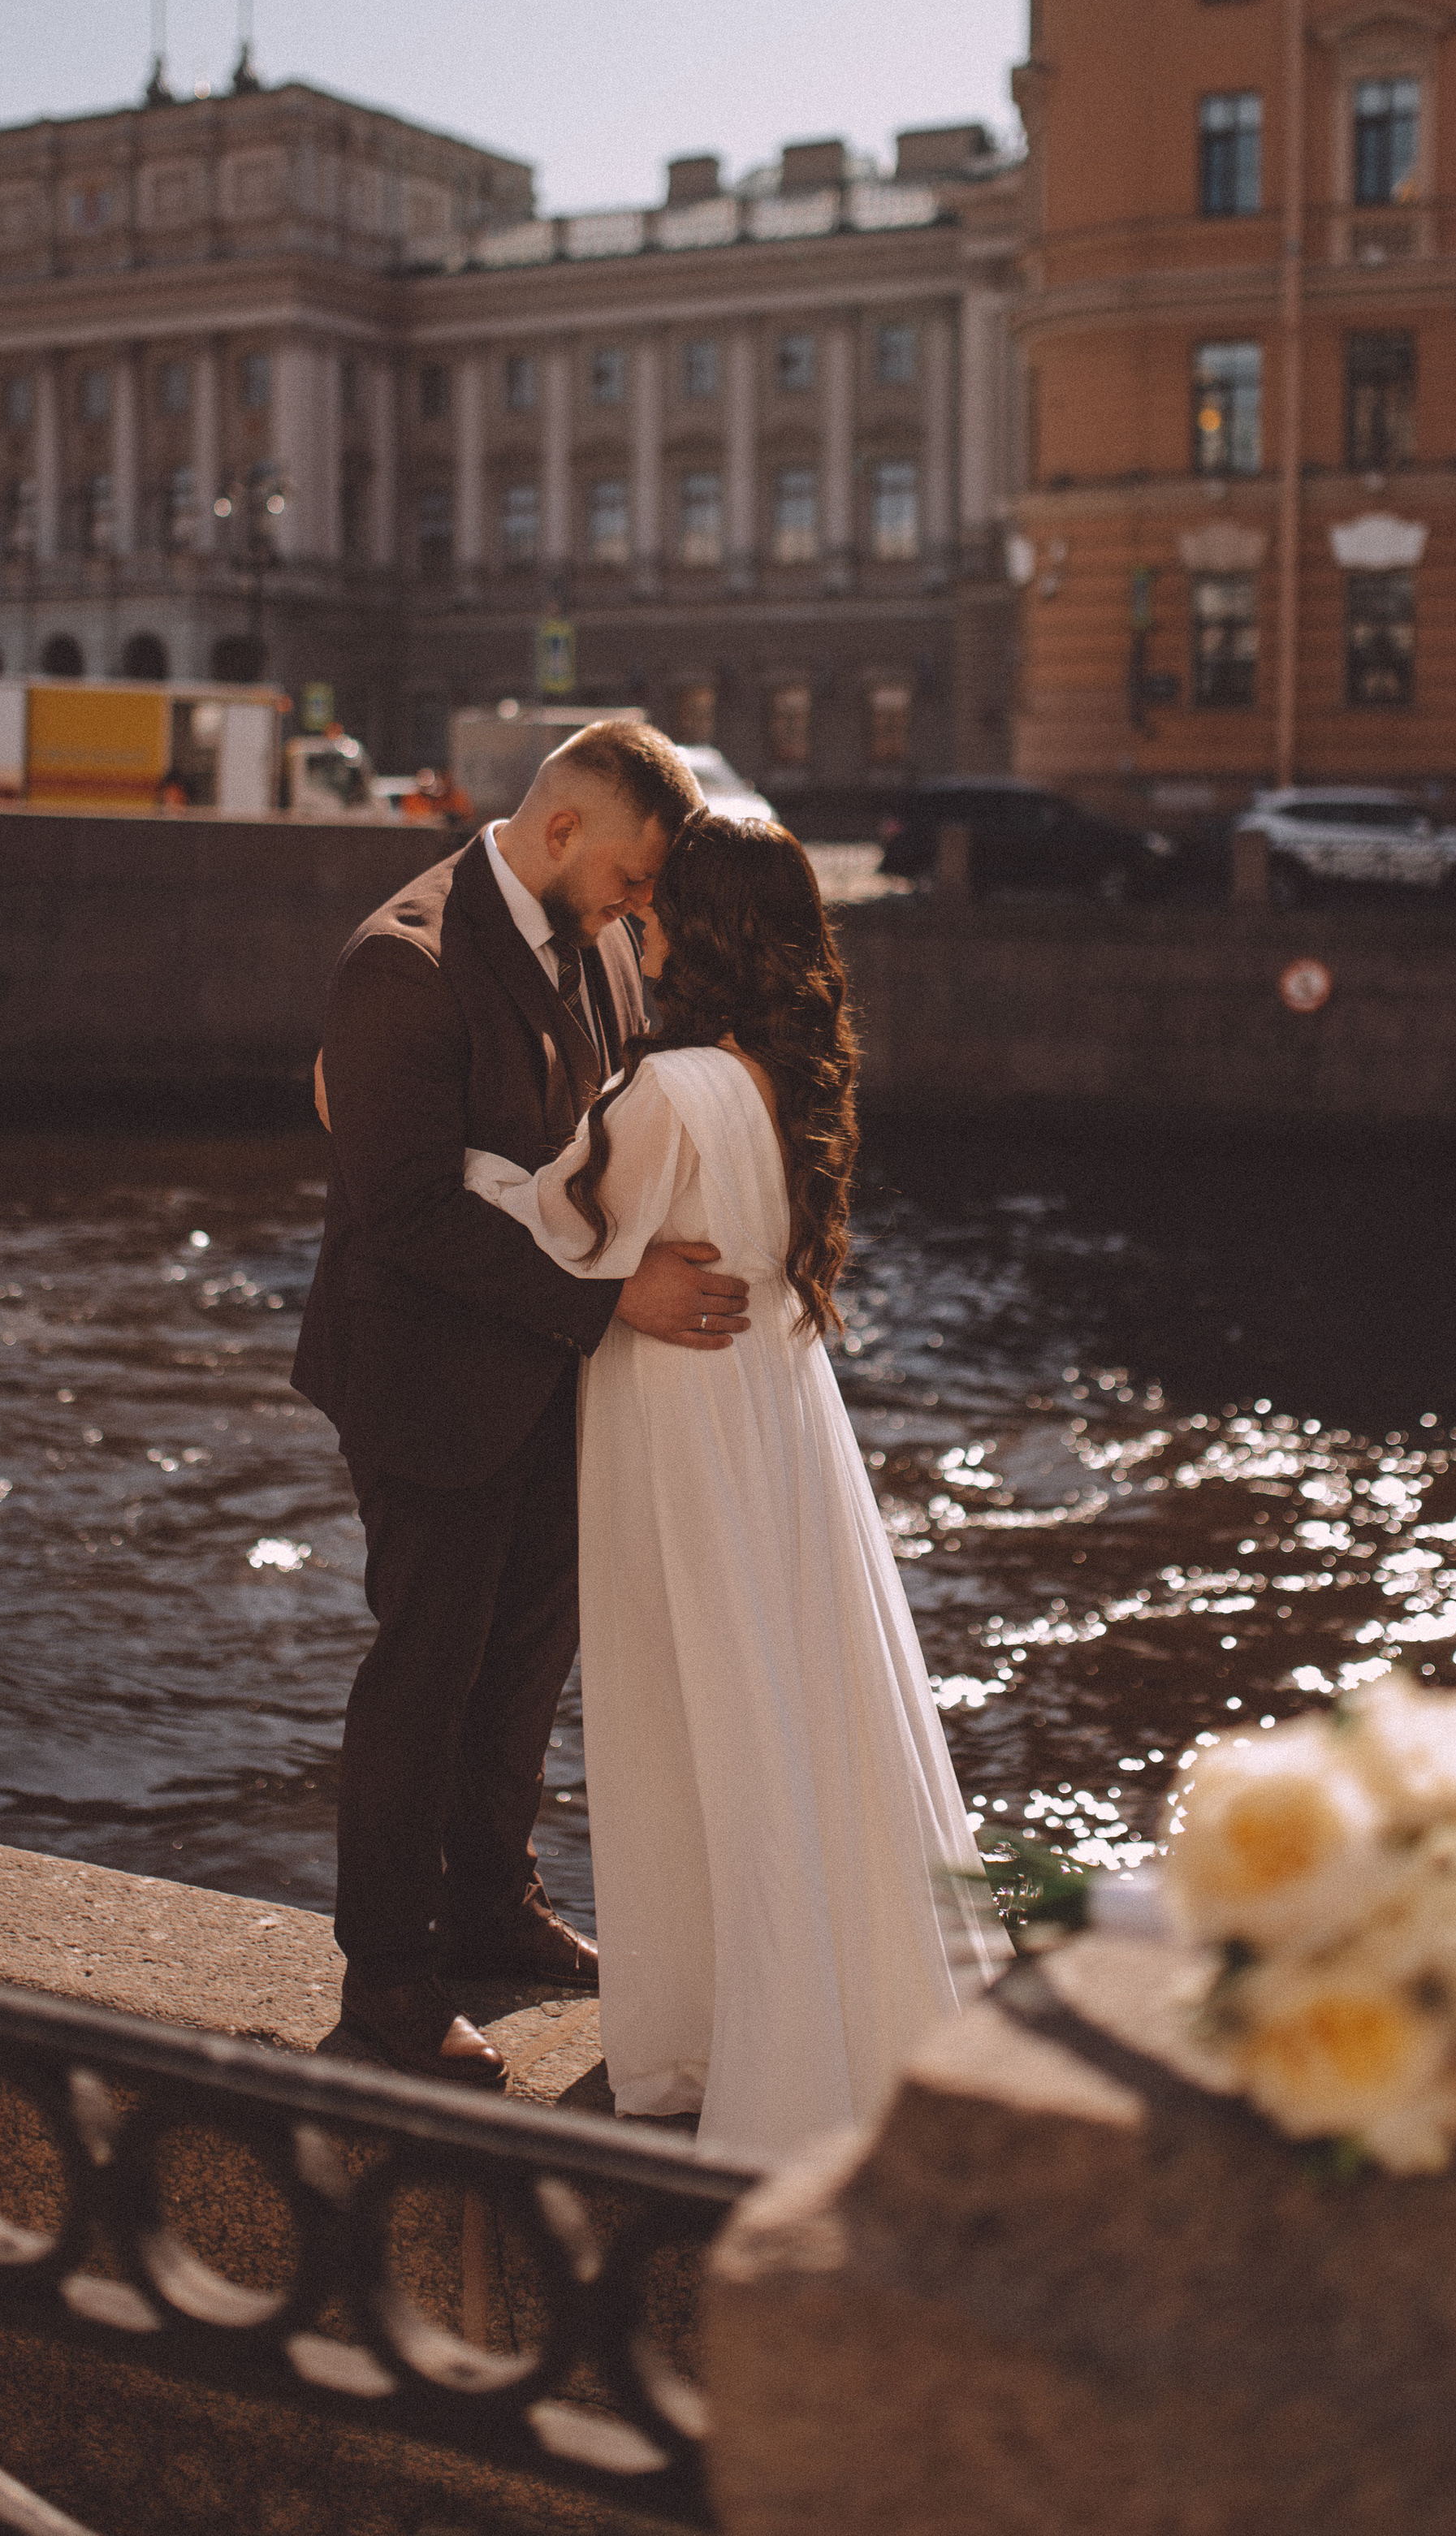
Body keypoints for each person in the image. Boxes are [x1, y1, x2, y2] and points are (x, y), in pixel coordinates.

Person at [462, 813, 1007, 2162]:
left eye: (656, 913)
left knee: (689, 1709)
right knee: (791, 1700)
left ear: (699, 932)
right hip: (773, 1412)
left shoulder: (671, 1091)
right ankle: (809, 2004)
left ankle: (723, 2036)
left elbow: (572, 1229)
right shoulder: (787, 1077)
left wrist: (453, 1164)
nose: (638, 930)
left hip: (683, 1424)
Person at [292, 720, 750, 2089]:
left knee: (526, 1659)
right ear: (560, 834)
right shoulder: (405, 961)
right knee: (425, 1674)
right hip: (429, 1379)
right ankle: (387, 1981)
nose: (636, 909)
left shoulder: (598, 938)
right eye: (627, 878)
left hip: (548, 1376)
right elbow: (412, 1214)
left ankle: (494, 1900)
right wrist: (614, 1303)